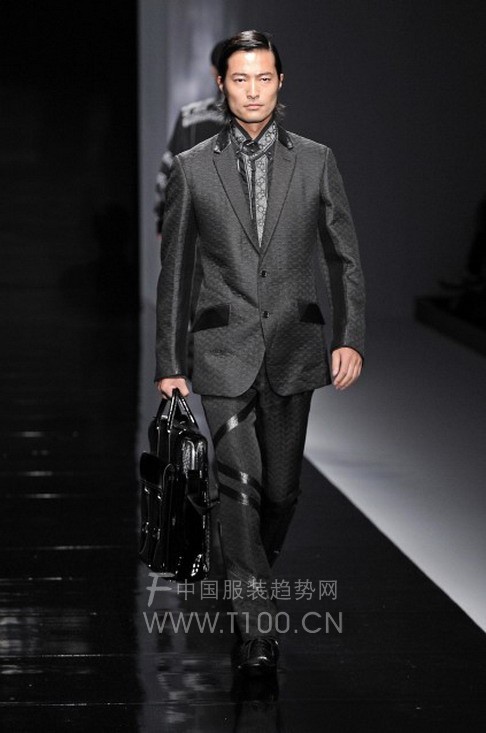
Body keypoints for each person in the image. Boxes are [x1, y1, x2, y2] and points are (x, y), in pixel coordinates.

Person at [154, 30, 365, 674]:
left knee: (281, 493)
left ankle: (246, 573)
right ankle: (257, 629)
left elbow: (344, 257)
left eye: (264, 78)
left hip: (295, 347)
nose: (252, 91)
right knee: (239, 486)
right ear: (221, 85)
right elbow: (176, 272)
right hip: (221, 349)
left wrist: (350, 337)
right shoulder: (193, 168)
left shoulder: (317, 161)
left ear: (280, 83)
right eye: (240, 79)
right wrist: (170, 364)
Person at [154, 40, 226, 235]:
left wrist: (162, 220)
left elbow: (166, 178)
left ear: (213, 71)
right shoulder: (256, 122)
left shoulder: (190, 118)